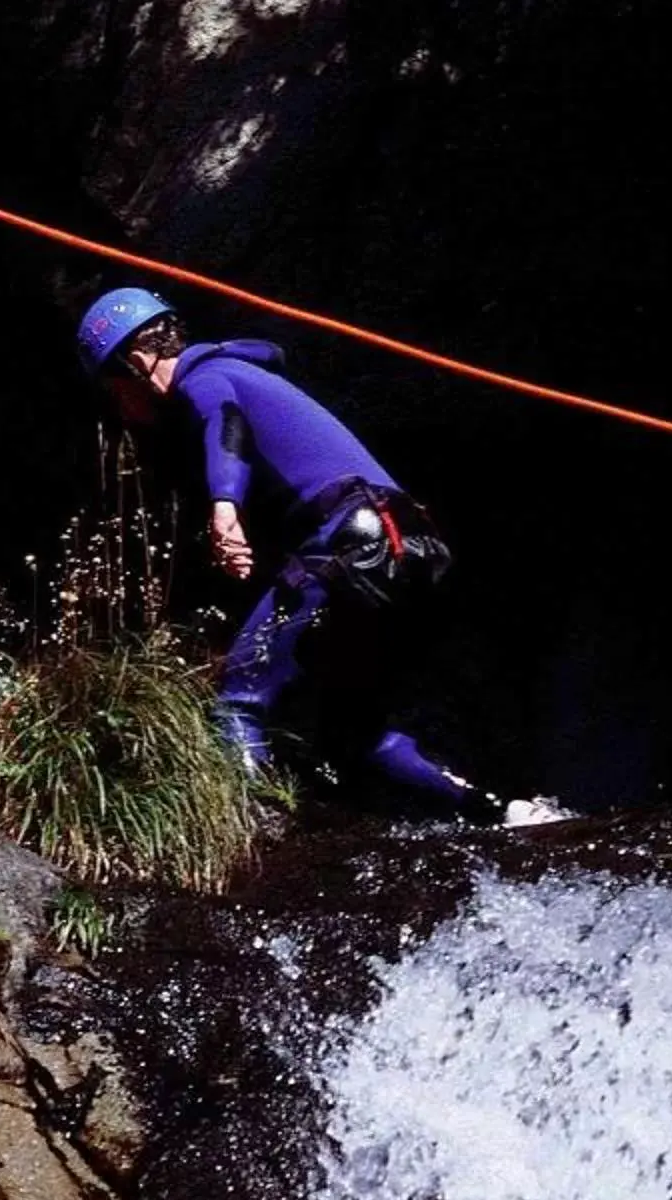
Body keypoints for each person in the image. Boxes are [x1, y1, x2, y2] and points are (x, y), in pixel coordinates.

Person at [77, 287, 507, 820]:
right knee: (353, 732)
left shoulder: (204, 377)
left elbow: (224, 424)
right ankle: (496, 812)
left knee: (239, 699)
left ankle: (249, 843)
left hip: (356, 543)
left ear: (136, 361)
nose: (120, 408)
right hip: (412, 548)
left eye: (114, 390)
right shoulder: (252, 372)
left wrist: (224, 506)